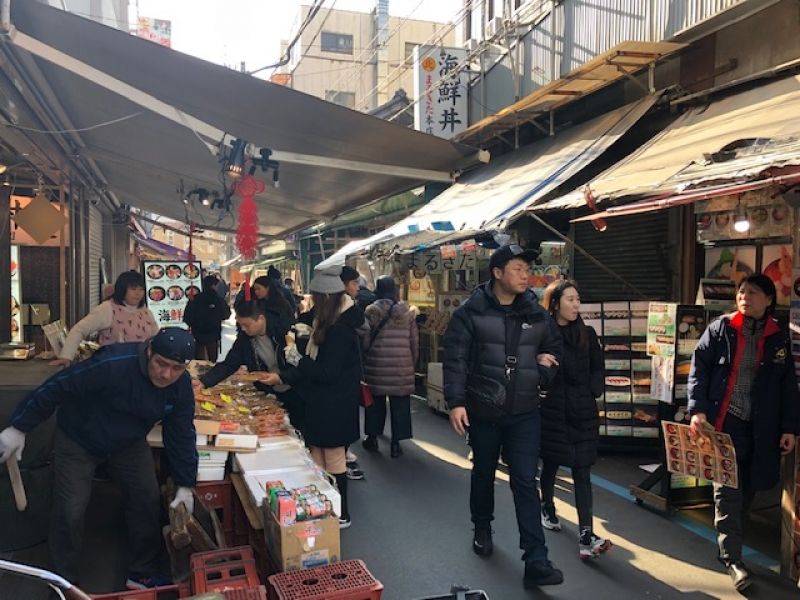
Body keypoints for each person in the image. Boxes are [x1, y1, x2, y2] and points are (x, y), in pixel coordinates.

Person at [0, 328, 198, 588]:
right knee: (70, 509)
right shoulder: (112, 363)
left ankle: (141, 572)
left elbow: (181, 432)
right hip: (79, 438)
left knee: (146, 498)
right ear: (149, 351)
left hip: (128, 442)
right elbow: (58, 387)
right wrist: (20, 426)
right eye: (161, 363)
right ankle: (63, 581)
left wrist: (185, 483)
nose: (166, 374)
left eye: (176, 368)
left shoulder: (180, 387)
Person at [443, 244, 564, 589]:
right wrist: (455, 401)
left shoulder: (536, 312)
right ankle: (482, 526)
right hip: (483, 411)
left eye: (527, 269)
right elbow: (456, 360)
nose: (525, 275)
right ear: (497, 273)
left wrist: (543, 373)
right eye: (517, 269)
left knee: (526, 481)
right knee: (483, 472)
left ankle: (536, 559)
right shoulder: (470, 312)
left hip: (526, 412)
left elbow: (553, 349)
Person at [688, 274, 799, 592]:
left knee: (749, 489)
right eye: (740, 292)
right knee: (727, 492)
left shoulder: (778, 336)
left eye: (752, 292)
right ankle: (733, 559)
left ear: (768, 300)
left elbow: (788, 386)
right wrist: (698, 410)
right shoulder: (721, 328)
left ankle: (730, 546)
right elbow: (699, 369)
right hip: (726, 424)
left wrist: (790, 427)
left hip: (762, 428)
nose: (744, 297)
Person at [260, 269, 362, 529]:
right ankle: (321, 506)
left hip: (335, 403)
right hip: (320, 401)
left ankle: (342, 512)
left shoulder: (341, 329)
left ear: (326, 298)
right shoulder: (326, 323)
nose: (313, 303)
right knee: (316, 453)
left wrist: (298, 359)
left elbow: (327, 372)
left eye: (316, 298)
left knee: (334, 456)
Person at [538, 280, 611, 559]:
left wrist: (594, 389)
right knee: (551, 462)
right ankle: (547, 506)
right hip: (553, 411)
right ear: (555, 303)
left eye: (578, 299)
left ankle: (585, 533)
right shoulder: (544, 333)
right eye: (570, 299)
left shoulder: (587, 333)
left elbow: (597, 366)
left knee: (582, 470)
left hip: (582, 412)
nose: (576, 305)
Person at [194, 300, 303, 430]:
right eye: (241, 325)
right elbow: (229, 364)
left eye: (247, 325)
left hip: (296, 390)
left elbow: (302, 367)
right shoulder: (245, 339)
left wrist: (280, 377)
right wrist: (204, 382)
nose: (243, 329)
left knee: (299, 426)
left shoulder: (285, 333)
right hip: (268, 393)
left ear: (261, 319)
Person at [361, 276, 418, 458]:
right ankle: (396, 443)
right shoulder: (407, 312)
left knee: (375, 403)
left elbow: (365, 340)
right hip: (402, 364)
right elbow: (414, 341)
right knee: (400, 404)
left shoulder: (371, 311)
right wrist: (411, 361)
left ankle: (372, 438)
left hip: (377, 365)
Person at [51, 271, 159, 367]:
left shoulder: (146, 312)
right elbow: (79, 329)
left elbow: (156, 338)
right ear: (122, 288)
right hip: (113, 370)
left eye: (141, 289)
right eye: (133, 289)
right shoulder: (107, 308)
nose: (138, 293)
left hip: (141, 370)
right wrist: (66, 356)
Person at [183, 275, 232, 362]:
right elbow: (226, 315)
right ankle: (212, 374)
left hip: (197, 335)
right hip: (213, 335)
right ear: (213, 286)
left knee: (199, 360)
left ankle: (199, 375)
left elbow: (187, 317)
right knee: (212, 360)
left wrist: (194, 325)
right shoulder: (218, 300)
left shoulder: (195, 299)